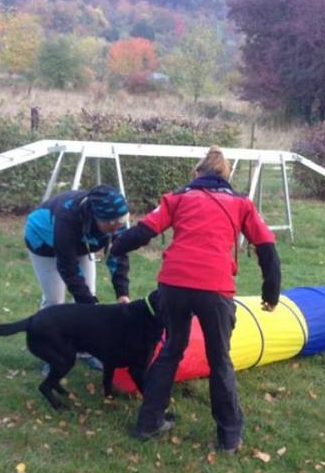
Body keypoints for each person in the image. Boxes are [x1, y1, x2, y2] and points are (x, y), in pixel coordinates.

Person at [111, 147, 281, 452]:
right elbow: (266, 247)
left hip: (173, 286)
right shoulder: (242, 203)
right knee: (220, 361)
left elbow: (143, 231)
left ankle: (148, 423)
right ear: (226, 175)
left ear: (197, 173)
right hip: (214, 289)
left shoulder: (177, 198)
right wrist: (271, 294)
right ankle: (229, 437)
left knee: (172, 350)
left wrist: (115, 247)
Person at [24, 184, 131, 371]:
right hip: (43, 241)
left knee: (88, 293)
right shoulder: (67, 218)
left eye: (120, 221)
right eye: (110, 224)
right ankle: (51, 354)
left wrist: (122, 292)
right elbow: (69, 269)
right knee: (55, 301)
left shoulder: (116, 220)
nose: (116, 227)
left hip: (80, 242)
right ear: (96, 216)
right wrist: (93, 309)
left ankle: (85, 351)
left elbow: (118, 255)